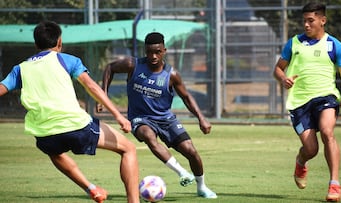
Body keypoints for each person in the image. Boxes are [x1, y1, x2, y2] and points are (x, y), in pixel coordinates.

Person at [0, 21, 140, 203]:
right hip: (76, 126)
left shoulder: (21, 69)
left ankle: (91, 189)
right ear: (59, 42)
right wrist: (119, 116)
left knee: (55, 152)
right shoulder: (67, 59)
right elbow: (92, 86)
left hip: (44, 134)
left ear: (36, 45)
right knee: (128, 149)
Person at [98, 32, 217, 199]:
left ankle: (201, 187)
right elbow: (110, 67)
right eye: (149, 52)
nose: (153, 56)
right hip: (141, 118)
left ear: (164, 51)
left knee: (191, 152)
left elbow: (186, 97)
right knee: (148, 136)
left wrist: (201, 118)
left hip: (166, 119)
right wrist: (103, 94)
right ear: (145, 51)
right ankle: (182, 172)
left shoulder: (172, 75)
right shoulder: (133, 65)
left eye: (157, 52)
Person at [273, 2, 341, 202]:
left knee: (328, 132)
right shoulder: (294, 43)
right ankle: (301, 161)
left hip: (326, 97)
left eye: (311, 21)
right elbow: (278, 68)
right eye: (304, 21)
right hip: (299, 103)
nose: (306, 25)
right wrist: (284, 79)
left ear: (323, 21)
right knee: (311, 149)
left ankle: (334, 184)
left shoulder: (334, 45)